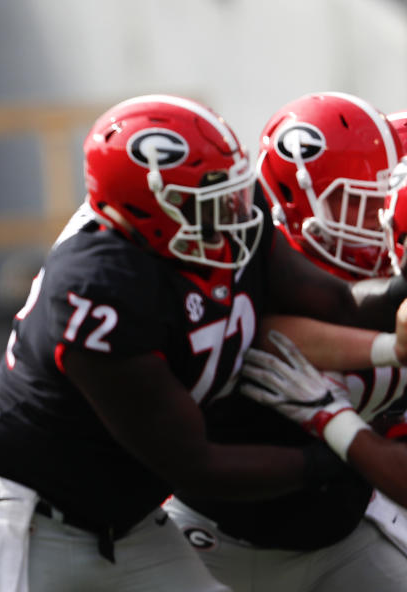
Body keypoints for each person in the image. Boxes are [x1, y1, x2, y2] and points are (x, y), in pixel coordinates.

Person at [0, 94, 407, 592]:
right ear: (141, 208)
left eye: (231, 193)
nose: (232, 214)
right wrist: (343, 452)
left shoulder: (227, 218)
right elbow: (196, 464)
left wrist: (402, 290)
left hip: (129, 523)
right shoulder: (99, 285)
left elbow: (336, 303)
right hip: (13, 511)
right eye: (209, 202)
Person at [162, 91, 407, 592]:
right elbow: (274, 336)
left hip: (344, 528)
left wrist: (338, 421)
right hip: (215, 536)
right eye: (354, 198)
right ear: (294, 196)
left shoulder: (392, 261)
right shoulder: (249, 266)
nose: (376, 217)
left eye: (382, 195)